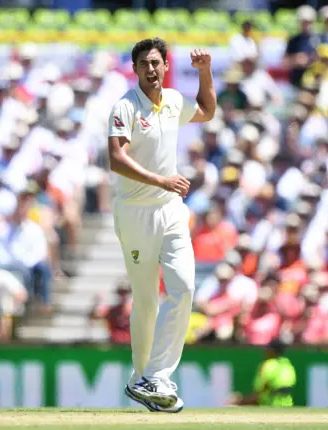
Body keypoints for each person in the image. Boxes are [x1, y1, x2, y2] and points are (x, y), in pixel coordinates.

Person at [107, 37, 215, 413]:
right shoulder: (125, 106)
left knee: (184, 288)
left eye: (155, 63)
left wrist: (204, 72)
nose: (150, 69)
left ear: (166, 66)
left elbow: (206, 109)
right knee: (147, 299)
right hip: (135, 210)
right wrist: (161, 180)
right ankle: (142, 377)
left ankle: (157, 374)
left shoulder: (172, 101)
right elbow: (116, 158)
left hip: (170, 208)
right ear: (135, 69)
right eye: (143, 64)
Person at [227, 340, 297, 407]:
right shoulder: (288, 365)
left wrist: (240, 402)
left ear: (272, 351)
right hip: (288, 405)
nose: (265, 350)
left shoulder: (269, 365)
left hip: (269, 406)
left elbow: (259, 394)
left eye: (268, 348)